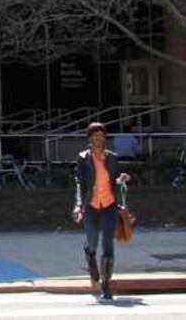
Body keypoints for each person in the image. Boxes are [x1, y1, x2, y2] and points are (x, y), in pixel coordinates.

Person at [73, 122, 130, 302]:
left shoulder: (112, 158)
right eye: (95, 135)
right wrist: (78, 204)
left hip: (109, 205)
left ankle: (106, 283)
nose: (99, 138)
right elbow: (80, 183)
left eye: (101, 135)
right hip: (91, 205)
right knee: (92, 242)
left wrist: (122, 178)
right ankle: (91, 262)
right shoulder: (83, 158)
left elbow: (115, 180)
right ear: (89, 138)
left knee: (108, 244)